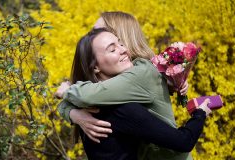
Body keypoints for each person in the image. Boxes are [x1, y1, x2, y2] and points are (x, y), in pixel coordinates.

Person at [57, 28, 211, 160]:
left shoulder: (82, 105)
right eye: (112, 49)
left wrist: (71, 110)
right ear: (95, 67)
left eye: (121, 43)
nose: (123, 49)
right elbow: (183, 142)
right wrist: (200, 113)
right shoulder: (122, 109)